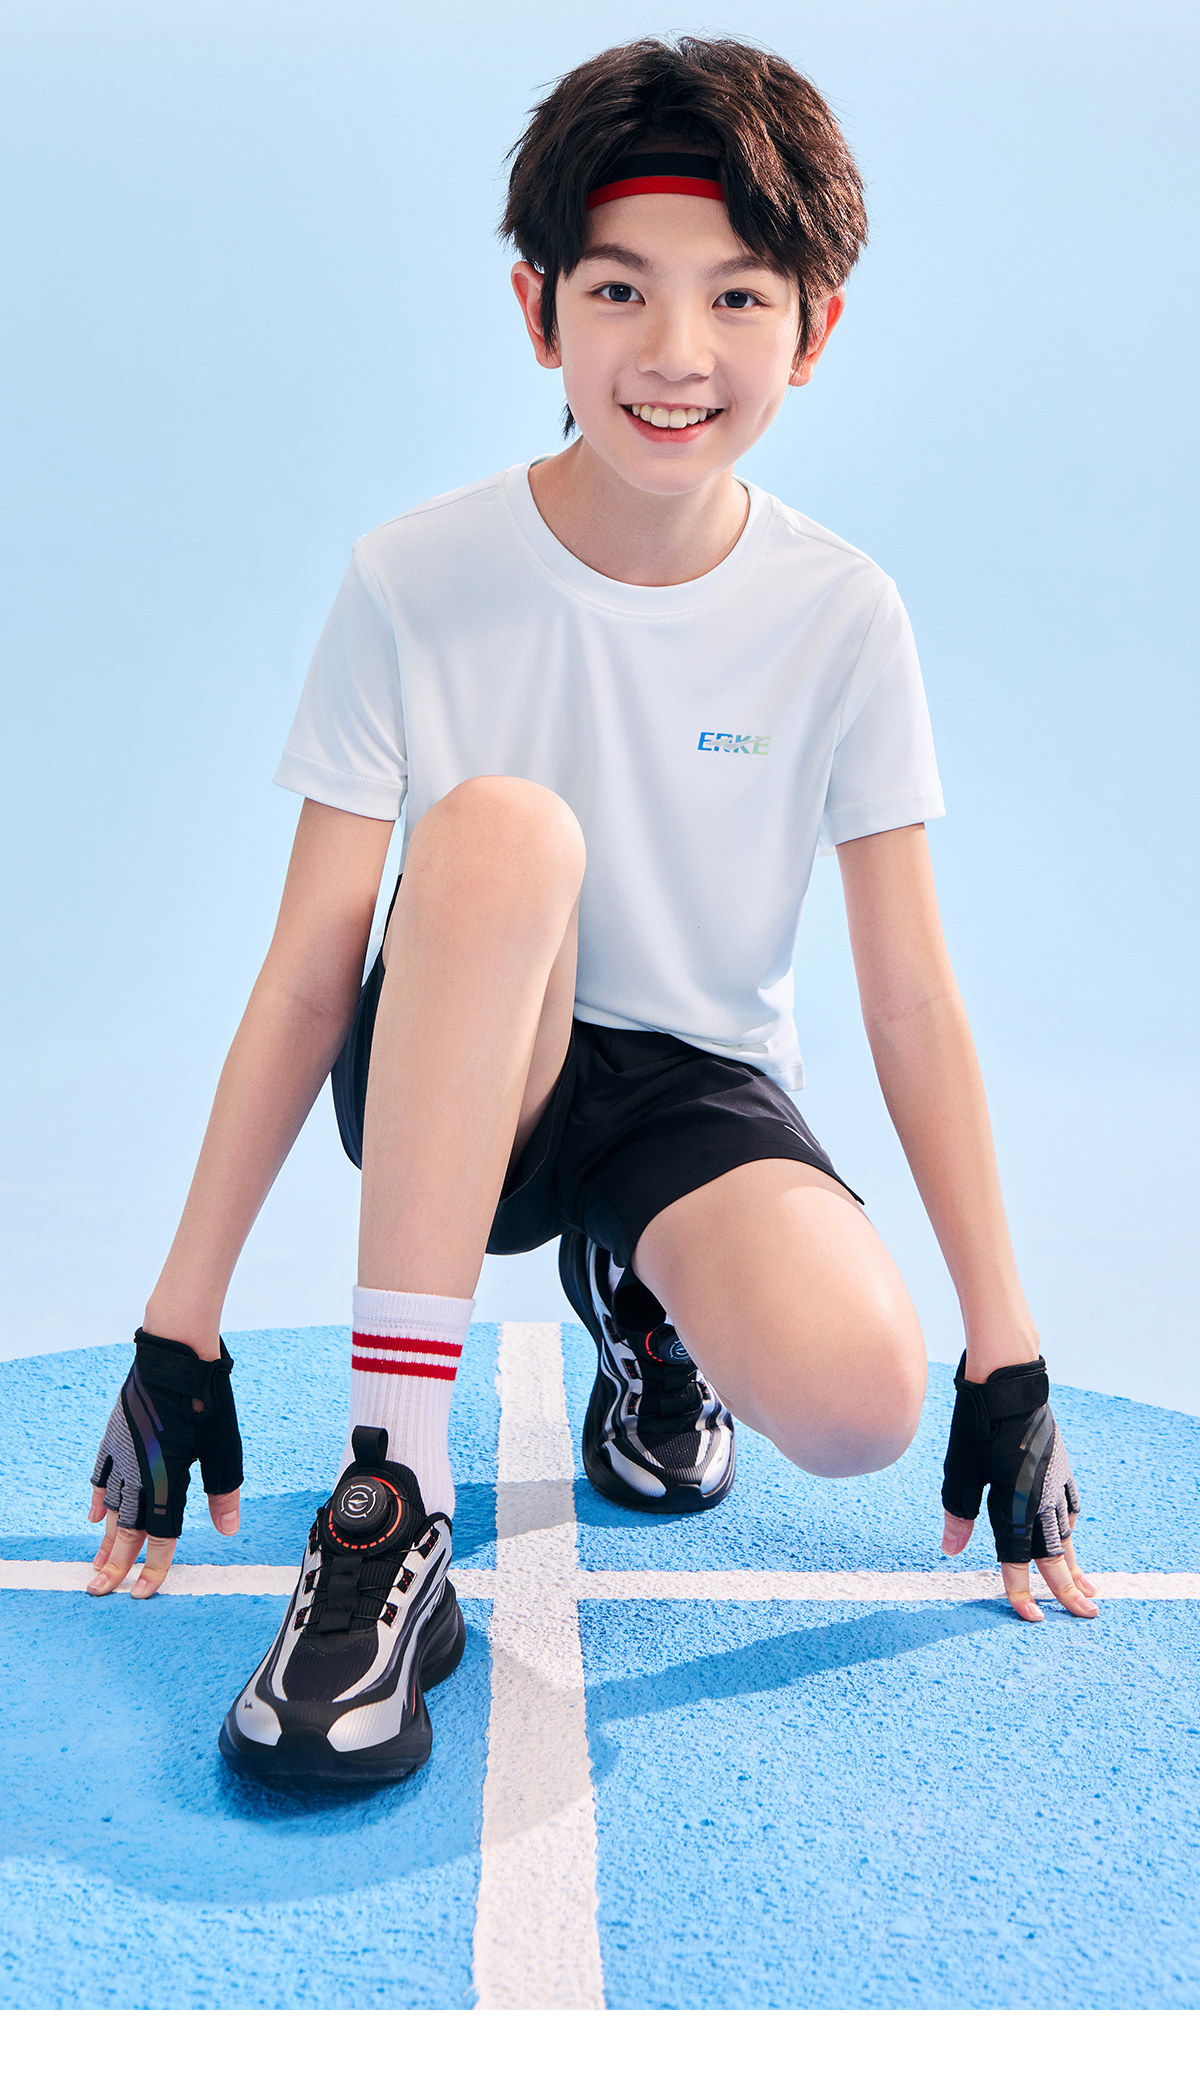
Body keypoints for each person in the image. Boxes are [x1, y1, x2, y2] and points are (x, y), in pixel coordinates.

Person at [85, 34, 1098, 1785]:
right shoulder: (414, 575)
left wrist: (1004, 1353)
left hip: (684, 1086)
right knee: (502, 832)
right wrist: (181, 1322)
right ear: (538, 311)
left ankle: (648, 1296)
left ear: (815, 330)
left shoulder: (845, 615)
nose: (676, 351)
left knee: (857, 1397)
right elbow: (312, 969)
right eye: (620, 288)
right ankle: (388, 1509)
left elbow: (912, 998)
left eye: (738, 295)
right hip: (462, 1058)